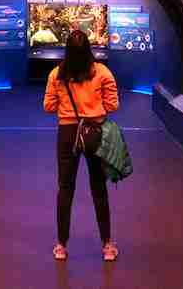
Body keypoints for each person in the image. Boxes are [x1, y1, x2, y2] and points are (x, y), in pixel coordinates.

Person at [43, 30, 120, 262]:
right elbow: (113, 105)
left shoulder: (57, 74)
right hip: (94, 133)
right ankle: (107, 246)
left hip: (67, 133)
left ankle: (61, 246)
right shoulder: (102, 73)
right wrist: (95, 111)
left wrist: (66, 109)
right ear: (89, 49)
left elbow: (48, 106)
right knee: (99, 189)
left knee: (65, 188)